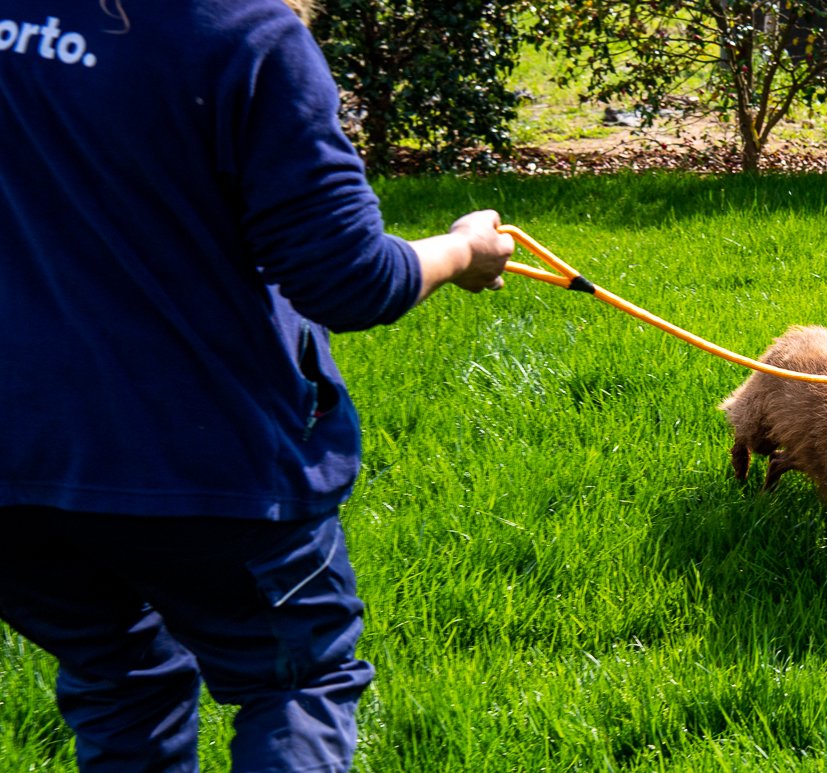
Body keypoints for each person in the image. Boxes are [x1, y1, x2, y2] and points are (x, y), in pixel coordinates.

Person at [0, 0, 513, 770]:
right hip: (207, 458)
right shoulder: (242, 33)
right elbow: (350, 279)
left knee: (117, 675)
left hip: (16, 468)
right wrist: (462, 249)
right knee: (298, 683)